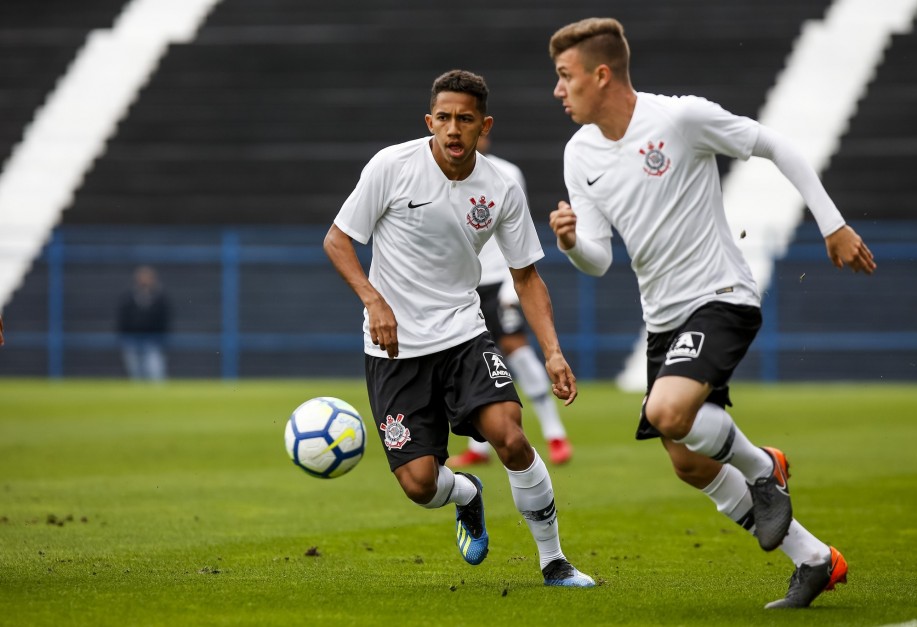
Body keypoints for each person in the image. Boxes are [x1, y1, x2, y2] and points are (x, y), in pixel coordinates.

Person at [547, 18, 876, 608]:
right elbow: (599, 260)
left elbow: (776, 145)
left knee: (669, 412)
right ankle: (816, 560)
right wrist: (572, 244)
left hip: (721, 295)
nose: (557, 90)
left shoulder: (678, 119)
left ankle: (760, 466)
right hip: (663, 319)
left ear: (601, 75)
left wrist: (834, 223)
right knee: (688, 463)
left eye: (565, 76)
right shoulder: (579, 153)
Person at [323, 69, 594, 587]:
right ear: (429, 120)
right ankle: (467, 494)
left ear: (482, 124)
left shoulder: (499, 188)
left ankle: (554, 561)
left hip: (463, 338)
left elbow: (527, 276)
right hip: (395, 350)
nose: (453, 129)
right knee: (420, 485)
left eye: (465, 119)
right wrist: (373, 300)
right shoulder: (391, 166)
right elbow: (338, 241)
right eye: (443, 118)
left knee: (510, 438)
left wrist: (553, 351)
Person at [449, 133, 573, 468]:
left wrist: (508, 286)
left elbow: (518, 235)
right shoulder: (440, 177)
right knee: (465, 364)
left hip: (499, 282)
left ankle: (555, 434)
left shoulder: (506, 174)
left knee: (517, 351)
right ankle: (480, 447)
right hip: (463, 289)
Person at [117, 265, 171, 381]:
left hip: (153, 340)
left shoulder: (159, 298)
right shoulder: (129, 297)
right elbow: (123, 317)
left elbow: (164, 318)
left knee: (155, 372)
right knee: (135, 373)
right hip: (132, 339)